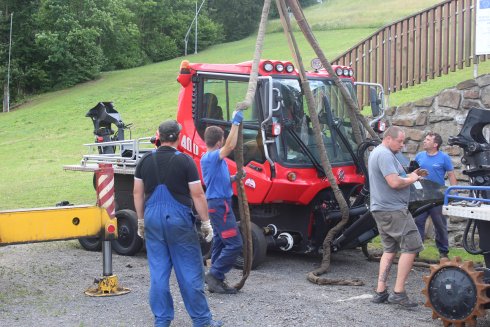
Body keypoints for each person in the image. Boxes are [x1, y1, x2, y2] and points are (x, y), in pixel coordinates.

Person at [133, 119, 222, 327]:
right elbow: (198, 195)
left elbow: (137, 193)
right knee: (190, 271)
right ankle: (202, 321)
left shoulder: (145, 160)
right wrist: (206, 222)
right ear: (178, 137)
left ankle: (162, 320)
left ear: (159, 136)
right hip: (178, 220)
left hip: (153, 219)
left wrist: (140, 220)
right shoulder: (185, 161)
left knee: (158, 272)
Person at [368, 126, 427, 308]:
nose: (402, 145)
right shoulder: (385, 154)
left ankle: (380, 291)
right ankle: (399, 293)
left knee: (389, 249)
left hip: (381, 209)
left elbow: (397, 177)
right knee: (412, 247)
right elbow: (394, 182)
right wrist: (413, 180)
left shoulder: (378, 153)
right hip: (394, 211)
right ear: (388, 138)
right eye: (400, 141)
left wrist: (410, 175)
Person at [200, 110, 244, 294]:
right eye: (223, 140)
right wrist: (236, 122)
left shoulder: (213, 160)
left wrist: (235, 177)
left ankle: (214, 280)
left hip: (218, 204)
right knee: (234, 244)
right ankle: (215, 275)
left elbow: (217, 180)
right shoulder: (212, 156)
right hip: (220, 205)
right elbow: (231, 146)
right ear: (219, 142)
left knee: (219, 241)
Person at [414, 132, 457, 259]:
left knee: (440, 224)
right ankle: (416, 251)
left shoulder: (444, 158)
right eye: (425, 139)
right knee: (418, 222)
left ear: (435, 144)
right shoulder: (419, 156)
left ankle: (443, 252)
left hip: (438, 197)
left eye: (427, 140)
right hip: (421, 196)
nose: (424, 141)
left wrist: (454, 192)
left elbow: (451, 174)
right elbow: (413, 173)